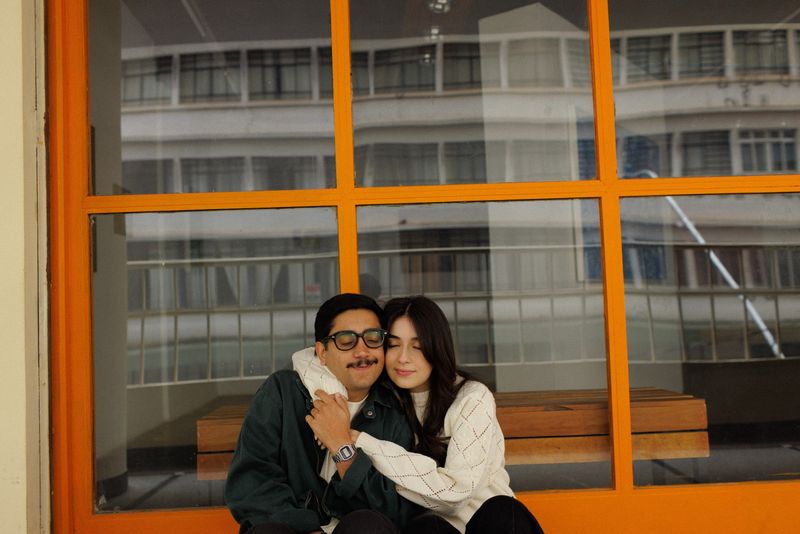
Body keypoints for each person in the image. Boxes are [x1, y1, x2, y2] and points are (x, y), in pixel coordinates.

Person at [298, 295, 545, 534]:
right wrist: (331, 405)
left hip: (489, 525)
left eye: (417, 347)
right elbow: (306, 359)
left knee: (504, 511)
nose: (404, 358)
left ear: (436, 348)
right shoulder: (384, 399)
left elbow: (456, 493)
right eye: (394, 345)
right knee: (427, 527)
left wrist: (354, 439)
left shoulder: (471, 398)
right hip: (429, 529)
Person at [225, 293, 420, 534]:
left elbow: (395, 508)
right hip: (291, 528)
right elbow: (252, 483)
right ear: (322, 352)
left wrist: (342, 449)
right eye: (346, 340)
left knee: (367, 526)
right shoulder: (283, 392)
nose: (362, 351)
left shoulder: (394, 411)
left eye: (372, 338)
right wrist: (309, 528)